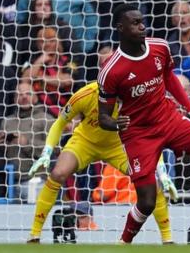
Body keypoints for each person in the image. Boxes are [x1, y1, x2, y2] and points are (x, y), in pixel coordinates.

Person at [97, 4, 190, 244]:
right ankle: (123, 242)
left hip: (170, 119)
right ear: (120, 28)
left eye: (142, 21)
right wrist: (113, 123)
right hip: (138, 134)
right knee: (147, 201)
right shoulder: (110, 70)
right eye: (135, 23)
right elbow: (103, 117)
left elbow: (169, 79)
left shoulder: (160, 47)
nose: (142, 26)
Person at [26, 82, 176, 243]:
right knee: (57, 173)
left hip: (119, 146)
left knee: (151, 181)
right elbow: (60, 123)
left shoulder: (137, 98)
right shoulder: (85, 94)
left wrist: (161, 171)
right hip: (85, 142)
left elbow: (149, 137)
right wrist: (47, 151)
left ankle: (167, 239)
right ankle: (34, 235)